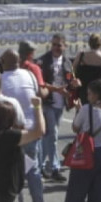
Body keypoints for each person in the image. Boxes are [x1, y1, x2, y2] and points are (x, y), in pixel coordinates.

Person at [0, 49, 48, 202]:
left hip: (15, 132)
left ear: (4, 62)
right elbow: (37, 94)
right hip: (33, 128)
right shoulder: (29, 75)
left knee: (15, 172)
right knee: (33, 170)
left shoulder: (0, 79)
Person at [37, 33, 73, 181]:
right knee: (53, 135)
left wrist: (73, 87)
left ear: (64, 46)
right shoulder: (43, 60)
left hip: (60, 103)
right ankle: (54, 168)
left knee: (49, 137)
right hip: (48, 102)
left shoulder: (67, 62)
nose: (56, 48)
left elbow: (70, 80)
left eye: (59, 45)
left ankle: (39, 166)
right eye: (54, 44)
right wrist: (55, 90)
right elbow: (41, 83)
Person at [73, 34, 101, 105]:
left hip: (84, 91)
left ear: (89, 43)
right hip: (100, 92)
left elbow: (73, 69)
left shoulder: (81, 55)